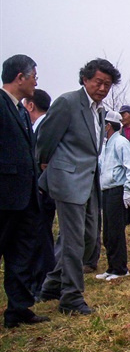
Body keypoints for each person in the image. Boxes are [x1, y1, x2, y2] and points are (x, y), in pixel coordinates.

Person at [36, 58, 121, 315]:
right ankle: (71, 299)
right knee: (73, 242)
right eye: (99, 82)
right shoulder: (68, 102)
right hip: (68, 180)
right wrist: (44, 165)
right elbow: (45, 138)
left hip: (89, 181)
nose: (103, 88)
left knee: (88, 237)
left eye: (108, 84)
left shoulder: (100, 110)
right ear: (85, 79)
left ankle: (51, 286)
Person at [0, 54, 50, 328]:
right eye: (34, 76)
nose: (36, 81)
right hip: (5, 197)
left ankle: (18, 310)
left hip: (26, 198)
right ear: (20, 77)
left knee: (22, 254)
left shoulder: (20, 110)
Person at [96, 110, 130, 281]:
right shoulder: (106, 145)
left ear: (108, 125)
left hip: (117, 190)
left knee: (116, 231)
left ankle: (121, 269)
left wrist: (128, 189)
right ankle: (112, 267)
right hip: (107, 191)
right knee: (107, 232)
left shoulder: (121, 143)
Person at [23, 89, 57, 298]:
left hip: (43, 191)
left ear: (30, 105)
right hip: (42, 190)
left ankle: (44, 281)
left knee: (41, 236)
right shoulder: (40, 126)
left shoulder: (43, 127)